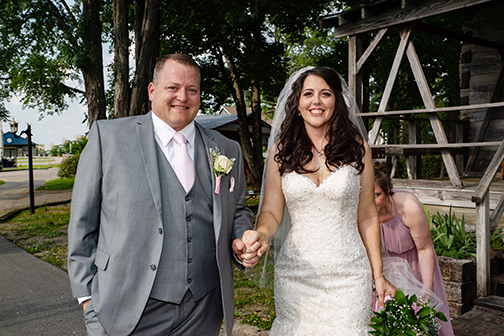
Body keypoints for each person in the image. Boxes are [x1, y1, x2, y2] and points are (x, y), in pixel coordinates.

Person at [67, 53, 256, 336]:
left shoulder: (226, 149)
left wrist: (242, 241)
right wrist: (88, 301)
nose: (183, 96)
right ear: (152, 91)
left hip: (203, 309)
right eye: (173, 87)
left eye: (192, 90)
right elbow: (83, 221)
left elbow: (238, 208)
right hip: (126, 307)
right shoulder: (109, 138)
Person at [241, 66, 395, 335]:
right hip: (296, 275)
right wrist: (262, 234)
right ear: (297, 102)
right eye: (308, 93)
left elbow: (368, 215)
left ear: (336, 100)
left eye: (325, 93)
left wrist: (378, 275)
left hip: (349, 276)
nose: (316, 101)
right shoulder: (280, 151)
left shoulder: (358, 149)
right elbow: (272, 212)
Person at [374, 162, 454, 336]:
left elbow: (425, 248)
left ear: (388, 190)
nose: (371, 202)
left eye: (377, 194)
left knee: (422, 324)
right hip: (383, 275)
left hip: (416, 269)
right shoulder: (364, 212)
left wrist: (426, 287)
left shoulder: (408, 206)